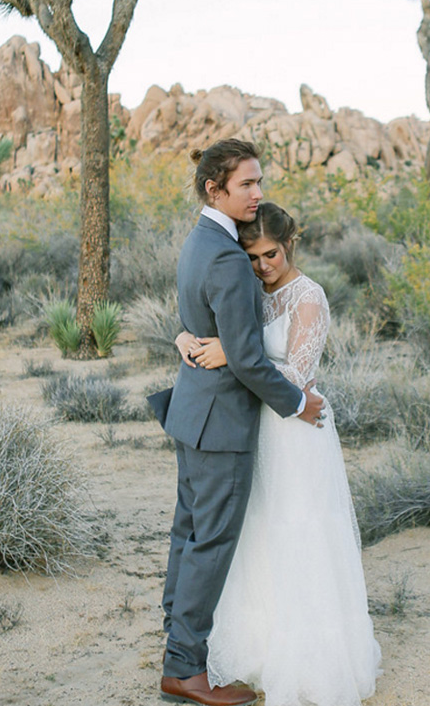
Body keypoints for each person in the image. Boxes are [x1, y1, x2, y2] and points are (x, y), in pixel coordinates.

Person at [175, 202, 382, 706]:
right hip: (255, 430)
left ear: (290, 244)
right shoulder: (252, 289)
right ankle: (259, 651)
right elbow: (216, 321)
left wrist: (234, 355)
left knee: (300, 532)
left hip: (294, 431)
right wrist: (187, 336)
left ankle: (310, 662)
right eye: (252, 256)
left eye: (271, 253)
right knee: (259, 534)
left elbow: (300, 374)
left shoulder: (308, 297)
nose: (263, 265)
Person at [157, 140, 326, 706]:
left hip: (192, 415)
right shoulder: (229, 257)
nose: (259, 193)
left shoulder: (200, 240)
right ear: (215, 188)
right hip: (222, 423)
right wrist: (298, 403)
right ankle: (185, 668)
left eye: (259, 182)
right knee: (209, 544)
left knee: (189, 534)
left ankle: (176, 645)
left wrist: (186, 337)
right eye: (247, 184)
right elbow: (249, 359)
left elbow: (195, 323)